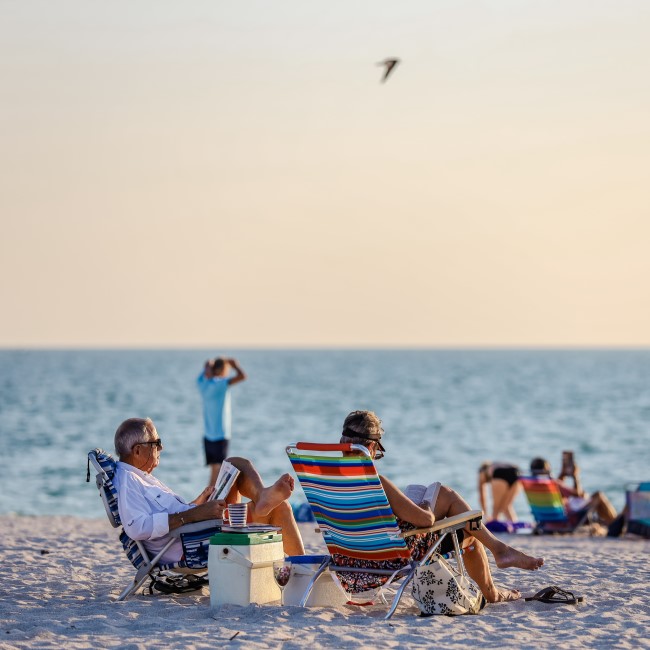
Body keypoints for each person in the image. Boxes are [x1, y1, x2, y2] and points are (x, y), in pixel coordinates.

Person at [337, 411, 544, 603]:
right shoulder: (376, 481)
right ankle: (497, 571)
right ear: (372, 448)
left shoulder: (330, 482)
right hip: (390, 559)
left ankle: (500, 554)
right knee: (462, 522)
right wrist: (427, 504)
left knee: (458, 516)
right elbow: (425, 521)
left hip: (350, 563)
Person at [113, 417, 304, 563]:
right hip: (190, 544)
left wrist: (197, 504)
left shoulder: (139, 477)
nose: (160, 448)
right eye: (156, 443)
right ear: (137, 450)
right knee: (280, 509)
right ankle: (303, 571)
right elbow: (137, 527)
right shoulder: (129, 480)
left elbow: (168, 513)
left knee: (234, 465)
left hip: (194, 529)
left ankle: (263, 496)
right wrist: (194, 514)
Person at [197, 356, 247, 486]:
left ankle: (208, 500)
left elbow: (204, 373)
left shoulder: (203, 384)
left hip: (208, 435)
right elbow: (242, 376)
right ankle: (210, 502)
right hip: (220, 434)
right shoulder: (221, 384)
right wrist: (235, 365)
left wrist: (207, 366)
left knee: (214, 470)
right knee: (218, 471)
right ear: (221, 370)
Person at [529, 457, 617, 525]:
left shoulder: (530, 485)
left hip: (546, 522)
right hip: (567, 519)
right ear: (547, 470)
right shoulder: (551, 483)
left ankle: (611, 523)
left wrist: (563, 474)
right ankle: (615, 524)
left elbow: (558, 491)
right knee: (598, 495)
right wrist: (575, 476)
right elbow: (578, 495)